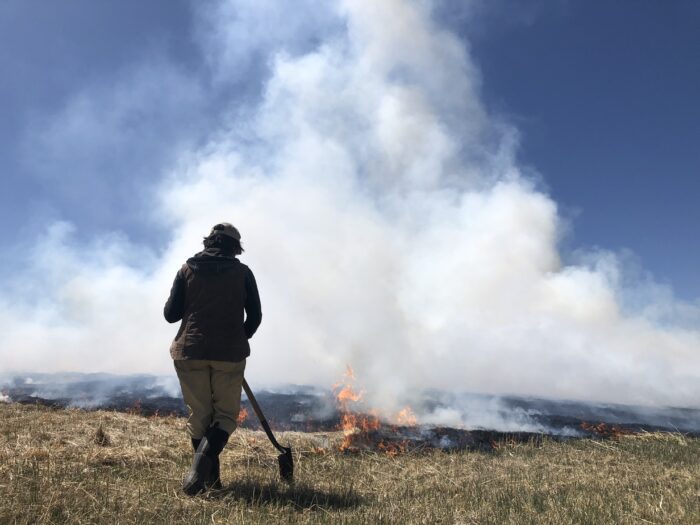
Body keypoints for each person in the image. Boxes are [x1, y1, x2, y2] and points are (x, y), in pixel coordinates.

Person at [163, 222, 262, 495]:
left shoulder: (186, 269)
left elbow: (170, 314)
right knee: (225, 417)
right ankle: (201, 475)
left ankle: (209, 483)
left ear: (209, 242)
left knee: (199, 419)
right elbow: (255, 317)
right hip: (229, 355)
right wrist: (238, 338)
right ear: (235, 247)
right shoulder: (243, 273)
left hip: (189, 352)